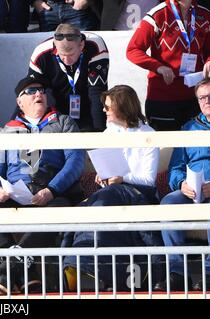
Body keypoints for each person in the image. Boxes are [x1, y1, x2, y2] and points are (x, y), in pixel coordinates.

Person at [0, 75, 85, 294]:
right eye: (31, 91)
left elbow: (75, 162)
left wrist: (52, 190)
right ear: (19, 102)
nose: (39, 94)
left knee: (59, 210)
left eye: (42, 90)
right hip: (15, 196)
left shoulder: (62, 123)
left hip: (52, 195)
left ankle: (8, 270)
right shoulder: (8, 129)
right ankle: (24, 272)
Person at [62, 85, 165, 292]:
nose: (104, 111)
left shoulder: (147, 133)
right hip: (113, 191)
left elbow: (148, 180)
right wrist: (105, 176)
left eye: (108, 107)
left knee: (102, 201)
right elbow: (110, 168)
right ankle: (72, 265)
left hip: (138, 194)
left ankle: (91, 269)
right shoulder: (109, 132)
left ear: (122, 107)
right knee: (83, 209)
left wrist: (121, 178)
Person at [155, 78, 210, 292]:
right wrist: (182, 183)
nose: (206, 101)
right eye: (202, 98)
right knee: (169, 203)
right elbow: (175, 168)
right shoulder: (188, 128)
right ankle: (177, 272)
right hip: (192, 190)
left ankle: (207, 272)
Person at [126, 0, 210, 131]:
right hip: (163, 97)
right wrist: (158, 67)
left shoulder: (204, 14)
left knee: (196, 147)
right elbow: (133, 50)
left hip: (197, 98)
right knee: (167, 147)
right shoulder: (158, 15)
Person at [29, 23, 109, 131]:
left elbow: (96, 90)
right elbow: (32, 92)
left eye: (71, 54)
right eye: (62, 55)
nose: (66, 60)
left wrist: (99, 130)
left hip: (86, 106)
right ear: (55, 45)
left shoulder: (95, 46)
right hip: (55, 108)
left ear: (81, 45)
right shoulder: (41, 53)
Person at [31, 0, 99, 32]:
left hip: (77, 8)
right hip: (48, 9)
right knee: (48, 51)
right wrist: (34, 1)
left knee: (85, 46)